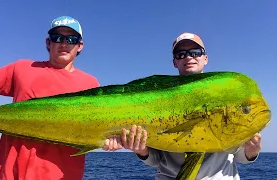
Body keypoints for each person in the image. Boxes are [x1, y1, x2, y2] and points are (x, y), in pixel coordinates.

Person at [103, 32, 262, 180]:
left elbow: (240, 156)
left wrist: (251, 150)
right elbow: (156, 160)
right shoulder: (161, 100)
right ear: (175, 62)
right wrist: (141, 150)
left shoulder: (227, 97)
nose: (189, 57)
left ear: (205, 58)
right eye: (181, 54)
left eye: (195, 52)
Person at [0, 15, 101, 180]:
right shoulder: (22, 68)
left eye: (71, 39)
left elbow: (91, 133)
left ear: (80, 45)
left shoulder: (91, 84)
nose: (64, 44)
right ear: (48, 43)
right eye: (57, 38)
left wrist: (109, 140)